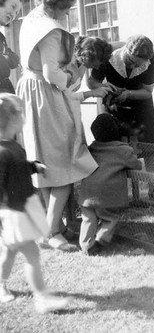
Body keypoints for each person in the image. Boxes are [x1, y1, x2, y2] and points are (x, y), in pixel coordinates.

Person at [16, 0, 99, 252]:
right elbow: (52, 73)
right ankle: (50, 231)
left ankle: (51, 224)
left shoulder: (31, 17)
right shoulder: (51, 30)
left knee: (44, 162)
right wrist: (70, 77)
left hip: (29, 90)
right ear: (58, 6)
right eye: (68, 8)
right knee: (65, 161)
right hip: (46, 92)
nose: (68, 13)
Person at [0, 93, 70, 313]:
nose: (23, 117)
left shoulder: (12, 145)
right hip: (12, 212)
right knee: (31, 253)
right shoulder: (2, 151)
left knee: (10, 251)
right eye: (20, 113)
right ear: (12, 120)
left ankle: (0, 284)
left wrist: (33, 166)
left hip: (21, 208)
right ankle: (42, 297)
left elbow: (19, 166)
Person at [78, 113, 142, 255]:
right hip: (107, 197)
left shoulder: (91, 148)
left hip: (87, 195)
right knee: (109, 219)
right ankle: (101, 240)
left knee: (88, 219)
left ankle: (86, 246)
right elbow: (136, 165)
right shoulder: (123, 150)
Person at [87, 34, 154, 146]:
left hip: (140, 103)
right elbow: (91, 82)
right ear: (125, 49)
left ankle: (150, 163)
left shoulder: (152, 59)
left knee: (147, 145)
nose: (133, 66)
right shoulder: (108, 55)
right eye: (131, 61)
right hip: (113, 104)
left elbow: (147, 92)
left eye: (138, 65)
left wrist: (128, 94)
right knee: (113, 143)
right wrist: (104, 87)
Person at [0, 0, 22, 93]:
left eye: (17, 13)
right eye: (13, 7)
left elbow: (15, 60)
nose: (14, 14)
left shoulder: (1, 37)